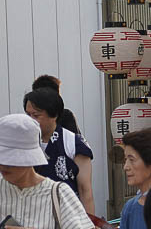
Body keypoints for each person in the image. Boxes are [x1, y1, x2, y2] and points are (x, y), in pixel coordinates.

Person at [23, 87, 98, 218]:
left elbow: (85, 190)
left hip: (68, 217)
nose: (30, 120)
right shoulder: (23, 142)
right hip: (32, 215)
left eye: (36, 115)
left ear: (54, 115)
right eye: (28, 115)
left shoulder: (72, 143)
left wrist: (90, 225)